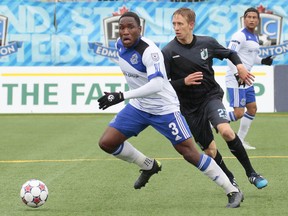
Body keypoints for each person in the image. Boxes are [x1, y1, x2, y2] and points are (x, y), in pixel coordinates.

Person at [97, 11, 243, 208]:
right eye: (121, 28)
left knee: (190, 153)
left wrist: (121, 96)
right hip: (139, 107)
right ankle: (149, 166)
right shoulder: (119, 46)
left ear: (140, 30)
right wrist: (124, 95)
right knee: (107, 143)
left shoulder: (151, 52)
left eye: (130, 27)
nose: (125, 31)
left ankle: (232, 190)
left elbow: (157, 85)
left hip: (164, 108)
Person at [162, 7, 268, 190]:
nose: (176, 28)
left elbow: (230, 53)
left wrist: (241, 67)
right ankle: (229, 178)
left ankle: (251, 173)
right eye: (174, 24)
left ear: (191, 25)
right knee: (210, 151)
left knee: (226, 131)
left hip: (210, 97)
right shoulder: (168, 52)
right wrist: (183, 82)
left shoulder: (207, 43)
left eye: (180, 24)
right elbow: (162, 85)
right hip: (189, 108)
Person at [226, 7, 273, 150]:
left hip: (246, 78)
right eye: (249, 17)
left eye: (254, 17)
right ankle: (210, 121)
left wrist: (263, 61)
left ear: (258, 21)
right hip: (236, 78)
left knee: (252, 109)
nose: (252, 19)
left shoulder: (255, 36)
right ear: (244, 19)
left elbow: (251, 57)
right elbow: (229, 55)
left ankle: (240, 140)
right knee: (238, 113)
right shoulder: (240, 35)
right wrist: (237, 74)